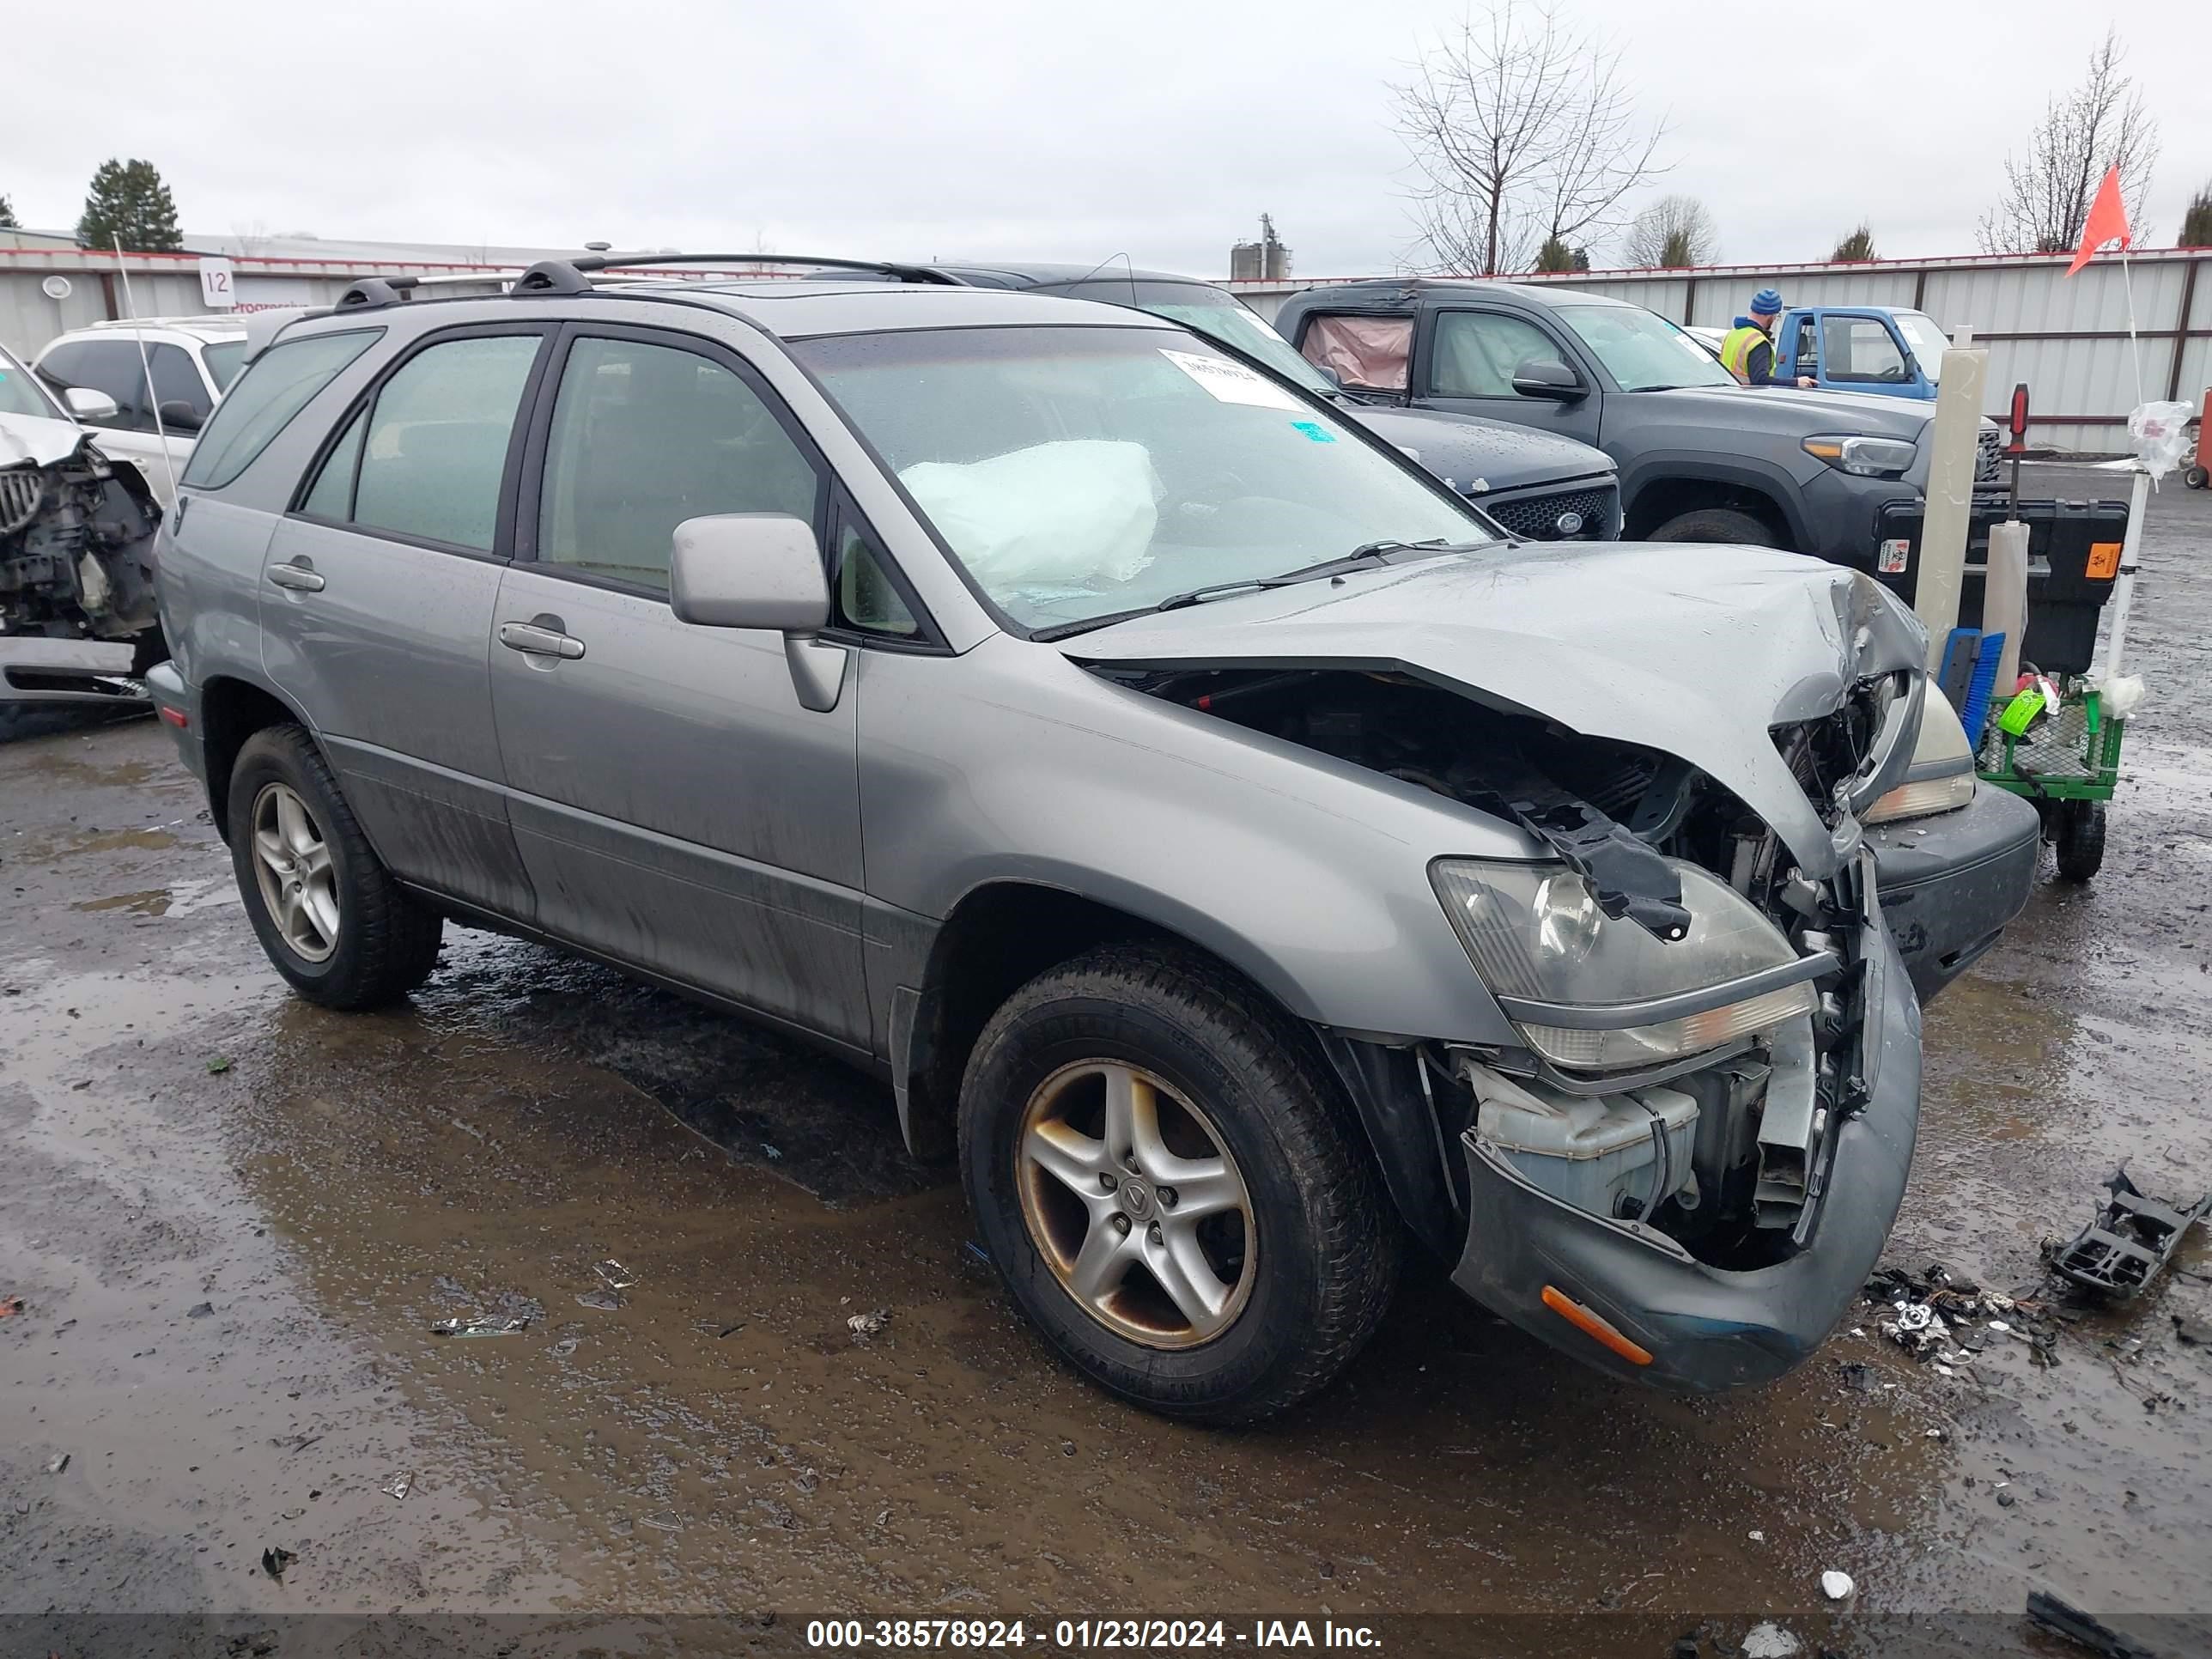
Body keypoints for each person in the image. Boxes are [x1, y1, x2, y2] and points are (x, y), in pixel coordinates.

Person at [1719, 289, 1816, 388]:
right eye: (1775, 315)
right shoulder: (1758, 341)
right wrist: (1796, 382)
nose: (1774, 319)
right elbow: (1760, 380)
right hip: (1748, 397)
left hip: (1728, 394)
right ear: (1770, 315)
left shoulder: (1732, 333)